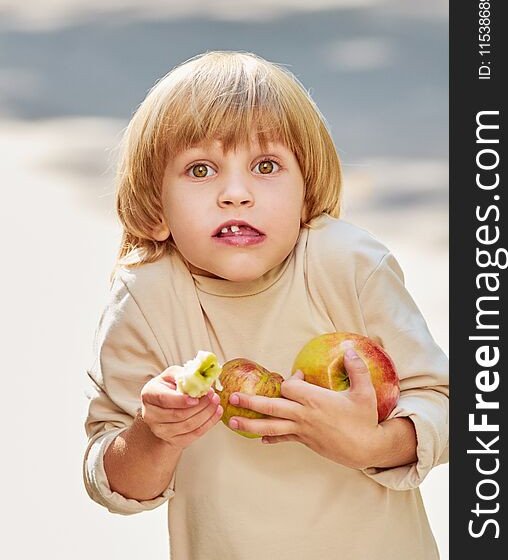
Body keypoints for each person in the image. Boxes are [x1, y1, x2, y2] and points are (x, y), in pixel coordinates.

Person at [83, 50, 449, 560]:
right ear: (154, 208)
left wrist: (372, 445)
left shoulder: (349, 266)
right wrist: (153, 435)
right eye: (201, 169)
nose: (236, 194)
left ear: (305, 196)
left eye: (266, 165)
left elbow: (448, 406)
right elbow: (115, 483)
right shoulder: (146, 298)